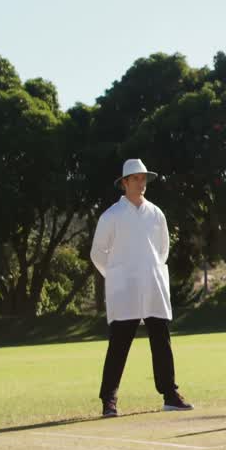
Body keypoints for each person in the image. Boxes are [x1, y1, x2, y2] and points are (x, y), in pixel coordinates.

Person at [90, 159, 193, 417]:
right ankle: (109, 400)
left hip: (153, 285)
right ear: (124, 182)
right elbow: (97, 252)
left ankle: (170, 395)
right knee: (119, 343)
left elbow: (163, 249)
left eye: (143, 178)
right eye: (135, 178)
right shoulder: (111, 215)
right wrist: (115, 275)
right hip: (124, 289)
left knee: (161, 340)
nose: (141, 182)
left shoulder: (156, 214)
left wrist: (151, 270)